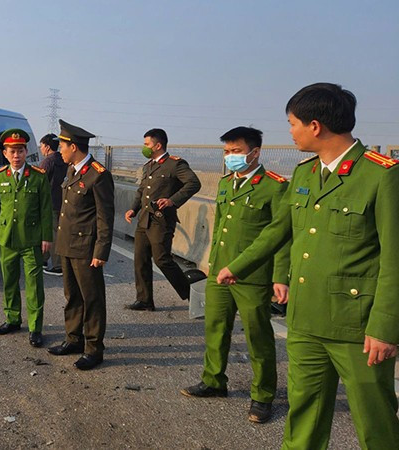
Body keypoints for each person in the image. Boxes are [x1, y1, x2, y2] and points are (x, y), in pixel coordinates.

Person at [217, 83, 399, 448]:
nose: (290, 131)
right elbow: (278, 231)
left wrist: (385, 327)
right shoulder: (304, 173)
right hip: (305, 321)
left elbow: (395, 257)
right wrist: (236, 265)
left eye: (292, 123)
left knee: (374, 422)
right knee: (304, 417)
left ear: (315, 126)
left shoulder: (382, 175)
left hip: (357, 327)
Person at [180, 126, 290, 424]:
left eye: (236, 152)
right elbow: (221, 232)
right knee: (215, 329)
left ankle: (264, 394)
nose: (230, 157)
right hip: (220, 273)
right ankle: (214, 381)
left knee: (259, 337)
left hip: (253, 277)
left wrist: (281, 277)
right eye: (227, 152)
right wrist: (211, 264)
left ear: (255, 152)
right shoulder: (228, 184)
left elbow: (281, 236)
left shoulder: (274, 186)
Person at [47, 119, 114, 370]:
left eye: (62, 146)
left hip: (86, 249)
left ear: (73, 146)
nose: (59, 151)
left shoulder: (98, 175)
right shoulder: (72, 169)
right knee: (72, 295)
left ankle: (94, 349)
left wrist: (101, 251)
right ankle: (73, 339)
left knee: (92, 298)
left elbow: (104, 217)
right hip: (67, 245)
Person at [0, 128, 53, 348]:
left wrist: (46, 237)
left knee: (34, 285)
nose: (16, 155)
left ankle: (35, 327)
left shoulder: (38, 177)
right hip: (7, 240)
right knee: (9, 282)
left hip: (31, 240)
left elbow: (45, 209)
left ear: (25, 152)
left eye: (20, 150)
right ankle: (12, 319)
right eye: (12, 151)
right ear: (5, 153)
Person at [124, 128, 201, 311]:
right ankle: (144, 300)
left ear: (158, 145)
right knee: (140, 259)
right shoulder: (149, 166)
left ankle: (194, 297)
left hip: (161, 220)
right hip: (144, 219)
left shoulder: (175, 164)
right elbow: (142, 190)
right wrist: (133, 209)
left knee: (162, 259)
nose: (144, 148)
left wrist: (172, 201)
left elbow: (194, 183)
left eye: (147, 144)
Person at [38, 133, 68, 276]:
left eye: (41, 146)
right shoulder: (64, 159)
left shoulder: (47, 162)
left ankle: (58, 265)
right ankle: (43, 259)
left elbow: (39, 182)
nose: (40, 148)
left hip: (49, 202)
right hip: (62, 200)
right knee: (55, 231)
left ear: (47, 147)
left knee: (51, 233)